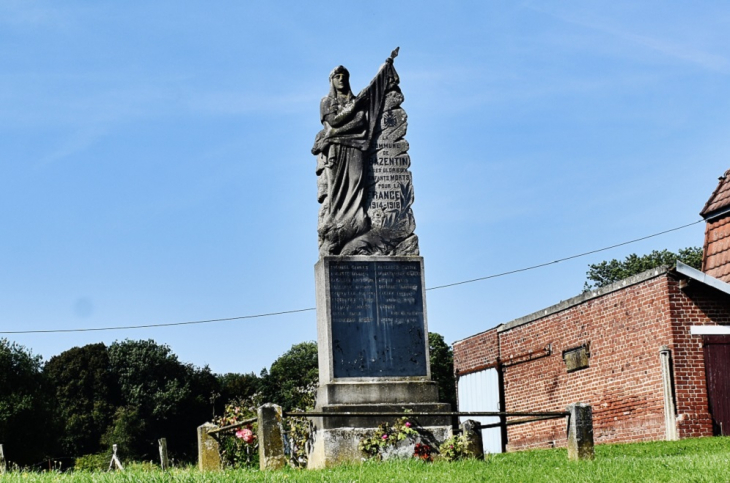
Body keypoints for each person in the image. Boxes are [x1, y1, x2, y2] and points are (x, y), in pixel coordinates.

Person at [312, 52, 399, 256]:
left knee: (356, 183)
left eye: (345, 76)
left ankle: (356, 221)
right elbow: (332, 121)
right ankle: (337, 227)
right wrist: (347, 117)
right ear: (332, 81)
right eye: (337, 76)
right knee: (337, 190)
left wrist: (338, 130)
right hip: (336, 150)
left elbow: (360, 122)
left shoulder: (357, 101)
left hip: (356, 147)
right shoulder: (327, 101)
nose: (342, 79)